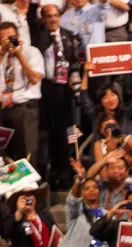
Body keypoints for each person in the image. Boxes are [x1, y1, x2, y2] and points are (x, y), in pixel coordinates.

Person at [35, 4, 81, 189]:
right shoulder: (40, 38)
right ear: (44, 19)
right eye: (49, 16)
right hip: (48, 90)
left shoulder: (69, 36)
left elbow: (75, 61)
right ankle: (53, 172)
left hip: (66, 89)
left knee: (67, 131)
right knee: (52, 132)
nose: (53, 19)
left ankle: (66, 171)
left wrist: (73, 77)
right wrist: (50, 37)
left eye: (56, 15)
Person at [0, 21, 44, 169]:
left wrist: (19, 56)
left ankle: (30, 191)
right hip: (4, 110)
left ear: (18, 37)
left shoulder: (31, 52)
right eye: (3, 39)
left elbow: (34, 78)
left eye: (11, 37)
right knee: (6, 157)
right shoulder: (1, 56)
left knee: (27, 156)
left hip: (25, 110)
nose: (8, 42)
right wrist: (1, 56)